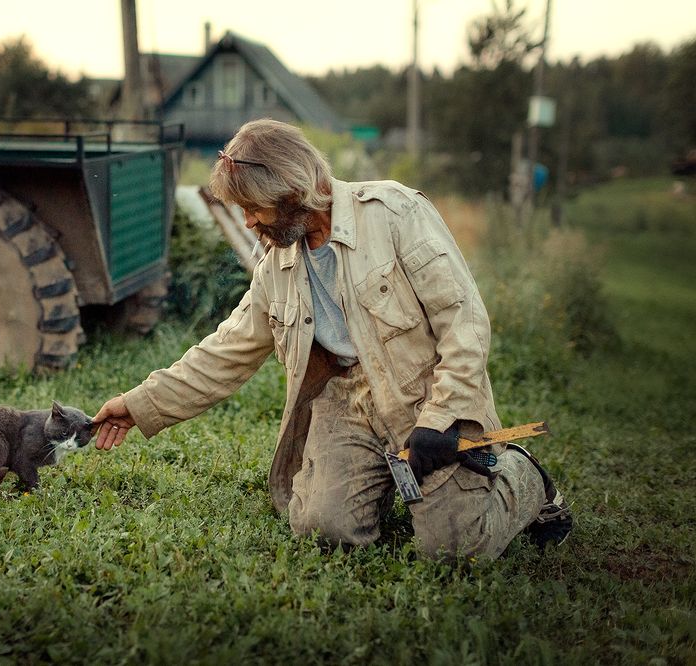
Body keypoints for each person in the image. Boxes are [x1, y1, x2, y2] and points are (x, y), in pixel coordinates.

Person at [92, 119, 571, 559]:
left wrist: (443, 416)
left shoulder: (395, 213)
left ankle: (523, 475)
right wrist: (139, 404)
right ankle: (384, 479)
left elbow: (463, 321)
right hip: (343, 401)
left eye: (254, 209)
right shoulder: (275, 265)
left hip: (421, 395)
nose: (248, 224)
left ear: (291, 191)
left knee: (455, 550)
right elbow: (224, 352)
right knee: (324, 529)